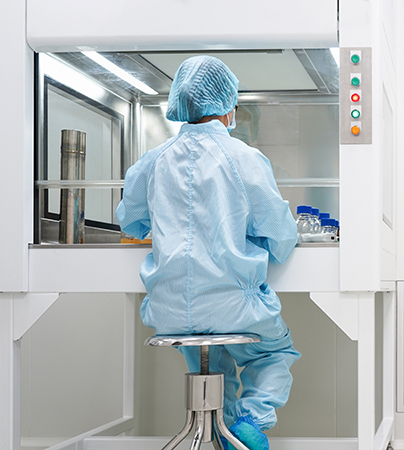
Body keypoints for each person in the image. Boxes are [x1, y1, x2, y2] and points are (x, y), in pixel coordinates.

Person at [116, 55, 299, 450]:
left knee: (212, 367)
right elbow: (281, 236)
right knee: (273, 355)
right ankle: (247, 429)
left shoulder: (153, 160)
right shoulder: (244, 158)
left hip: (167, 313)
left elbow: (129, 222)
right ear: (228, 107)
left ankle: (219, 435)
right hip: (233, 306)